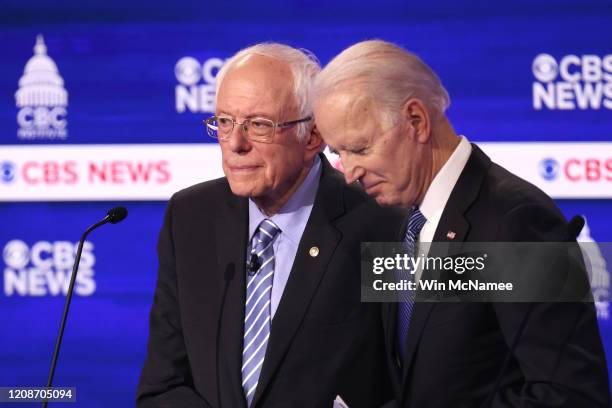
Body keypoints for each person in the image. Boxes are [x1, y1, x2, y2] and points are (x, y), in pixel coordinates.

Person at [312, 39, 610, 407]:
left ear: (416, 121)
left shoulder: (515, 221)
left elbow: (571, 397)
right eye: (337, 153)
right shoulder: (399, 217)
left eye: (359, 149)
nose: (350, 173)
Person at [136, 43, 402, 408]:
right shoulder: (190, 217)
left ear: (312, 136)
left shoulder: (381, 222)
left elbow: (414, 384)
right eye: (224, 122)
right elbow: (162, 387)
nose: (235, 144)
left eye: (259, 125)